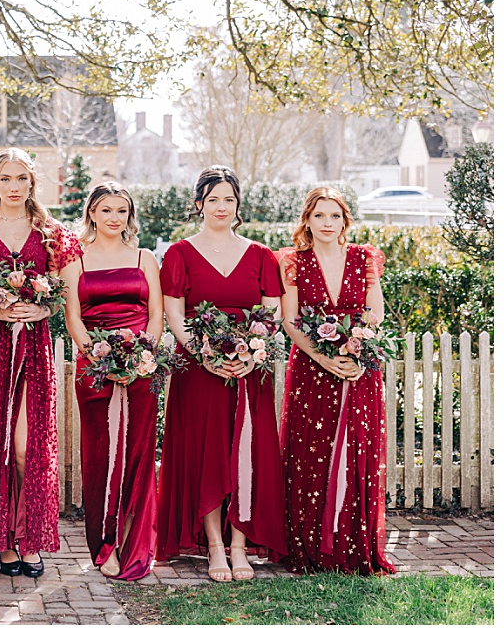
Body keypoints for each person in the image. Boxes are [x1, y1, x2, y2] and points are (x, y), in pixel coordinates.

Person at [0, 148, 82, 577]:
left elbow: (68, 294)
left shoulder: (51, 233)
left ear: (32, 183)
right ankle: (0, 540)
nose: (13, 186)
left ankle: (28, 536)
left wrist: (43, 310)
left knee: (27, 446)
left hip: (32, 345)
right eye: (6, 178)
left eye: (21, 179)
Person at [158, 165, 287, 582]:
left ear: (238, 206)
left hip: (250, 370)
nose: (221, 206)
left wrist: (253, 353)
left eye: (228, 199)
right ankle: (214, 545)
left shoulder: (261, 255)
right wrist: (203, 352)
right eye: (212, 199)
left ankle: (239, 544)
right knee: (206, 453)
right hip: (199, 371)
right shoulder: (179, 254)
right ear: (199, 205)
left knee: (246, 452)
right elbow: (174, 314)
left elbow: (272, 313)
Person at [277, 188, 396, 575]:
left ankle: (351, 546)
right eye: (319, 216)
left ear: (345, 220)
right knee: (311, 451)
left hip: (359, 365)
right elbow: (290, 320)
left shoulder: (364, 258)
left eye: (335, 216)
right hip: (312, 367)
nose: (327, 223)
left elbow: (374, 310)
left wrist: (357, 350)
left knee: (355, 449)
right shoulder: (294, 261)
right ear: (306, 220)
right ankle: (310, 546)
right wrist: (325, 358)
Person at [61, 183, 162, 580]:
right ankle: (104, 546)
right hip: (94, 370)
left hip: (141, 368)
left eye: (122, 210)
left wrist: (142, 355)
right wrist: (99, 356)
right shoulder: (76, 261)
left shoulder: (145, 257)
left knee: (137, 456)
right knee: (101, 456)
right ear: (92, 214)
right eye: (106, 210)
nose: (114, 217)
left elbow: (155, 314)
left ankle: (135, 541)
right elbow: (73, 320)